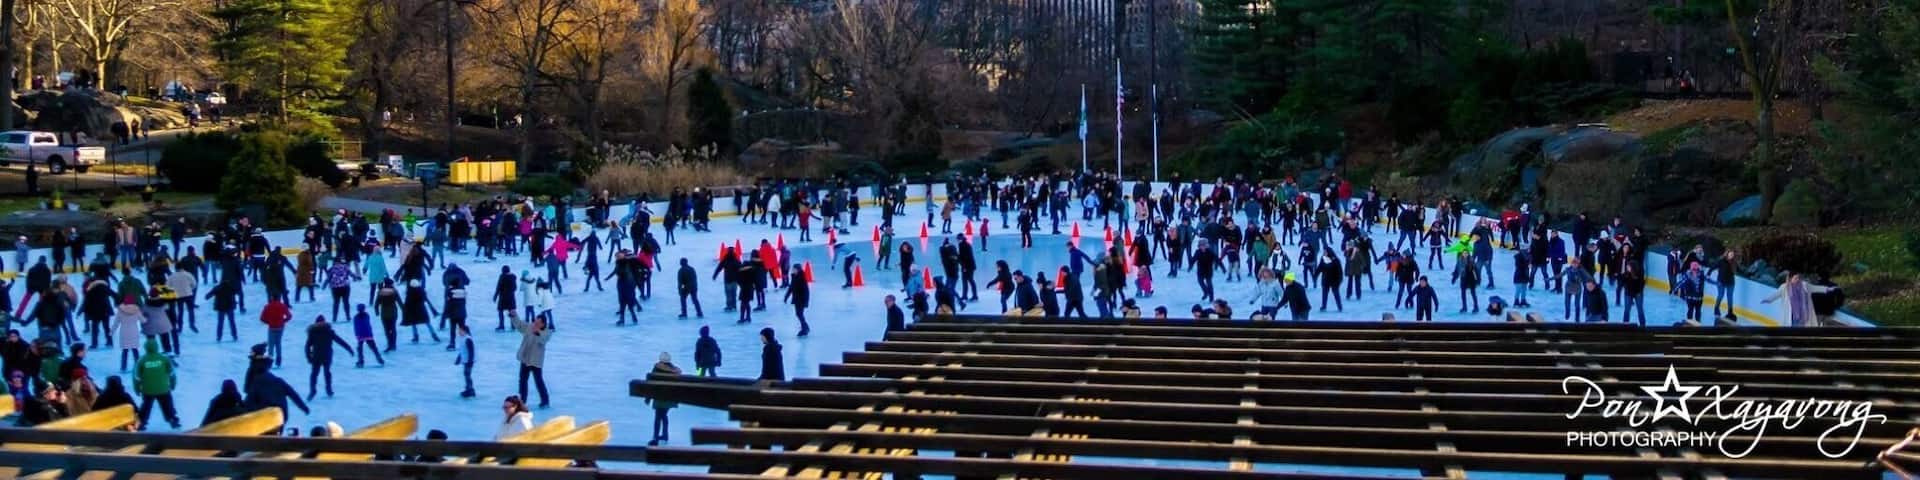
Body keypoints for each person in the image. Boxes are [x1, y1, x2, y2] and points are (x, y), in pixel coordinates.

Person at [133, 338, 180, 429]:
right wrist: (173, 384)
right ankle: (173, 420)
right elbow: (172, 373)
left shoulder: (141, 360)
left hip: (148, 390)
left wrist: (137, 389)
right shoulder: (164, 359)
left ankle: (141, 423)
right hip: (163, 388)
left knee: (146, 407)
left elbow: (136, 377)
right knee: (167, 405)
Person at [303, 315, 353, 400]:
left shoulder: (313, 332)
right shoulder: (329, 331)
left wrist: (308, 357)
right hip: (327, 355)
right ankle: (328, 389)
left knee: (314, 374)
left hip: (316, 356)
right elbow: (339, 340)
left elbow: (307, 346)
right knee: (327, 373)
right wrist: (349, 348)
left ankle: (313, 391)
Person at [1762, 272, 1832, 327]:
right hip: (1792, 317)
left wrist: (1826, 289)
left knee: (1800, 332)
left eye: (1798, 278)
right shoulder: (1785, 287)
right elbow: (1776, 294)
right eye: (1795, 278)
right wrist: (1768, 300)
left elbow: (1815, 288)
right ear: (1790, 279)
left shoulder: (1804, 285)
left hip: (1803, 316)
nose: (1797, 280)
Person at [512, 312, 551, 408]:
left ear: (543, 324)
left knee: (539, 381)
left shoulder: (547, 332)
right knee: (522, 381)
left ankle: (545, 401)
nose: (535, 325)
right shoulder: (529, 327)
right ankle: (522, 401)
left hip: (536, 361)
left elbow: (543, 340)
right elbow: (519, 325)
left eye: (537, 323)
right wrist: (514, 316)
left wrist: (537, 332)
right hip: (525, 359)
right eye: (534, 322)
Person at [645, 352, 681, 445]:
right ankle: (665, 435)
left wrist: (648, 398)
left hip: (660, 397)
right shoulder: (675, 371)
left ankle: (655, 438)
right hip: (670, 398)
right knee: (664, 415)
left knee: (658, 417)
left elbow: (651, 384)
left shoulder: (657, 369)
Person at [261, 297, 293, 367]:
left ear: (272, 298)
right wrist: (283, 321)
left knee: (271, 345)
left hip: (272, 327)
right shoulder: (282, 306)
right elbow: (289, 316)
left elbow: (262, 318)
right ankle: (279, 360)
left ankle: (270, 362)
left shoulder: (268, 306)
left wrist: (268, 322)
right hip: (280, 327)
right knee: (278, 343)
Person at [453, 324, 475, 398]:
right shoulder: (463, 338)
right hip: (466, 360)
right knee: (466, 375)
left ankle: (470, 390)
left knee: (467, 375)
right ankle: (469, 389)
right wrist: (458, 359)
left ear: (465, 331)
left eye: (460, 330)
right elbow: (462, 350)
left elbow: (471, 351)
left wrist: (469, 361)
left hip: (469, 361)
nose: (458, 332)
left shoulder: (468, 339)